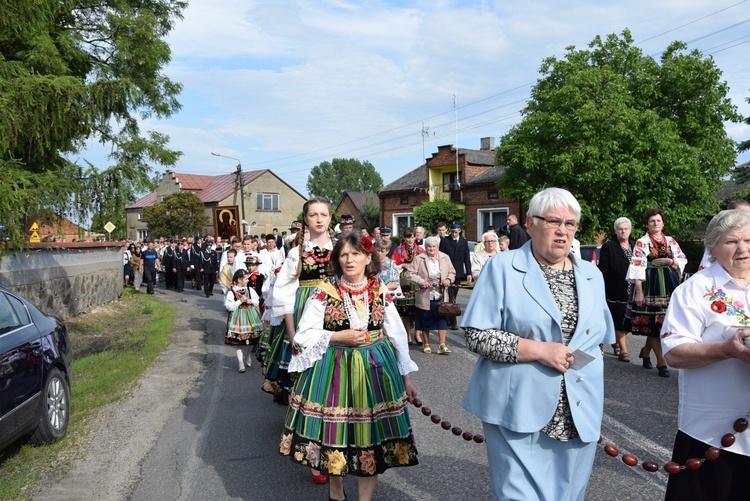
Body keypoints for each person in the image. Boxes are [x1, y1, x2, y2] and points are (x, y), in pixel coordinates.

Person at [461, 187, 615, 501]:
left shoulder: (591, 275)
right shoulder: (502, 267)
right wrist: (540, 351)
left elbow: (599, 343)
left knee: (569, 495)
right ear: (530, 224)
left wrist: (577, 366)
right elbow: (476, 334)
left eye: (570, 224)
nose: (563, 231)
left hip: (578, 409)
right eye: (553, 221)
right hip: (517, 407)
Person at [279, 231, 419, 501]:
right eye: (343, 254)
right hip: (335, 370)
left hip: (377, 369)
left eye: (356, 254)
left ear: (368, 257)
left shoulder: (379, 288)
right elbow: (303, 336)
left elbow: (398, 335)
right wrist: (336, 336)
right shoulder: (325, 292)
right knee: (337, 434)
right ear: (337, 259)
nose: (349, 260)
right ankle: (337, 495)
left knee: (369, 437)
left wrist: (407, 378)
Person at [660, 209, 750, 500]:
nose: (743, 249)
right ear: (712, 246)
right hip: (712, 436)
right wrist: (725, 350)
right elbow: (674, 353)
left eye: (749, 240)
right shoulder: (694, 291)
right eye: (732, 242)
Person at [626, 208, 687, 378]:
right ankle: (662, 363)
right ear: (647, 224)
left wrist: (671, 261)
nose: (655, 223)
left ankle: (645, 352)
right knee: (652, 324)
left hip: (668, 283)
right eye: (652, 221)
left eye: (658, 220)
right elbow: (637, 266)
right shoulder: (642, 242)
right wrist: (638, 291)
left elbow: (682, 259)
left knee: (662, 322)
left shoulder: (670, 241)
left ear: (663, 223)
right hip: (650, 284)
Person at [408, 236, 456, 354]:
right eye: (429, 246)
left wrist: (448, 280)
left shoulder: (445, 257)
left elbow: (452, 271)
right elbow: (411, 274)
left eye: (434, 246)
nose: (432, 248)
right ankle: (427, 344)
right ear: (426, 247)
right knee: (425, 319)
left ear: (437, 247)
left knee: (442, 319)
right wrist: (421, 281)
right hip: (425, 294)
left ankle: (442, 345)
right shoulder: (419, 258)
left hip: (441, 294)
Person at [598, 217, 635, 362]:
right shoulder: (609, 246)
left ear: (630, 230)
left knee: (630, 320)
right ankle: (623, 350)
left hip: (632, 288)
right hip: (615, 287)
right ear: (615, 231)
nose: (623, 231)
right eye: (620, 229)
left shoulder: (634, 245)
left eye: (626, 228)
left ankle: (616, 341)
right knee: (619, 318)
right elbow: (603, 269)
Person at [224, 269, 263, 373]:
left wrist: (251, 301)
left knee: (251, 341)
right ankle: (241, 363)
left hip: (250, 317)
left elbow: (257, 301)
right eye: (245, 279)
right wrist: (239, 301)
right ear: (239, 280)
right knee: (238, 342)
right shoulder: (231, 292)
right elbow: (229, 307)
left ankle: (248, 354)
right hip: (237, 319)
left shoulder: (249, 290)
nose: (247, 280)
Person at [391, 227, 424, 344]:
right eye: (408, 237)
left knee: (419, 307)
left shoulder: (420, 250)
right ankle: (408, 335)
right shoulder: (399, 250)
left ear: (416, 237)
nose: (410, 240)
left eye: (412, 237)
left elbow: (425, 263)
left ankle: (418, 334)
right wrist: (404, 265)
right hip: (404, 279)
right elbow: (393, 264)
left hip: (417, 279)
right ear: (404, 238)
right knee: (406, 309)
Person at [439, 222, 472, 330]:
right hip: (447, 273)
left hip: (458, 273)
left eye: (456, 231)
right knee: (450, 295)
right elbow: (441, 257)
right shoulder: (445, 241)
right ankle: (453, 321)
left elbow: (466, 258)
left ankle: (449, 318)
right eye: (452, 231)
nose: (454, 233)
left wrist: (469, 273)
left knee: (453, 295)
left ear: (460, 231)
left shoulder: (463, 241)